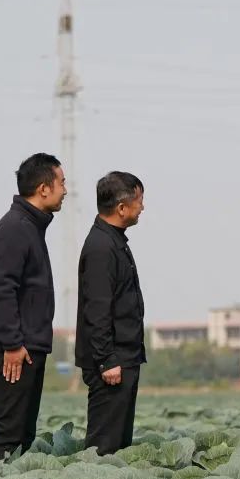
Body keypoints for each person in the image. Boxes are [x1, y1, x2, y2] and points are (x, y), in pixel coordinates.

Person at [0, 152, 65, 459]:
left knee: (22, 439)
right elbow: (0, 290)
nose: (66, 190)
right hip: (15, 351)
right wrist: (13, 344)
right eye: (62, 182)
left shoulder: (30, 226)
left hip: (27, 347)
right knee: (8, 438)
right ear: (44, 188)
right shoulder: (14, 229)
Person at [75, 172, 147, 455]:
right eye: (139, 200)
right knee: (104, 447)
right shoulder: (101, 248)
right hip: (112, 363)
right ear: (121, 208)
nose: (142, 207)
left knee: (118, 445)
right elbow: (97, 309)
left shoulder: (113, 241)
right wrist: (106, 360)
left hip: (123, 358)